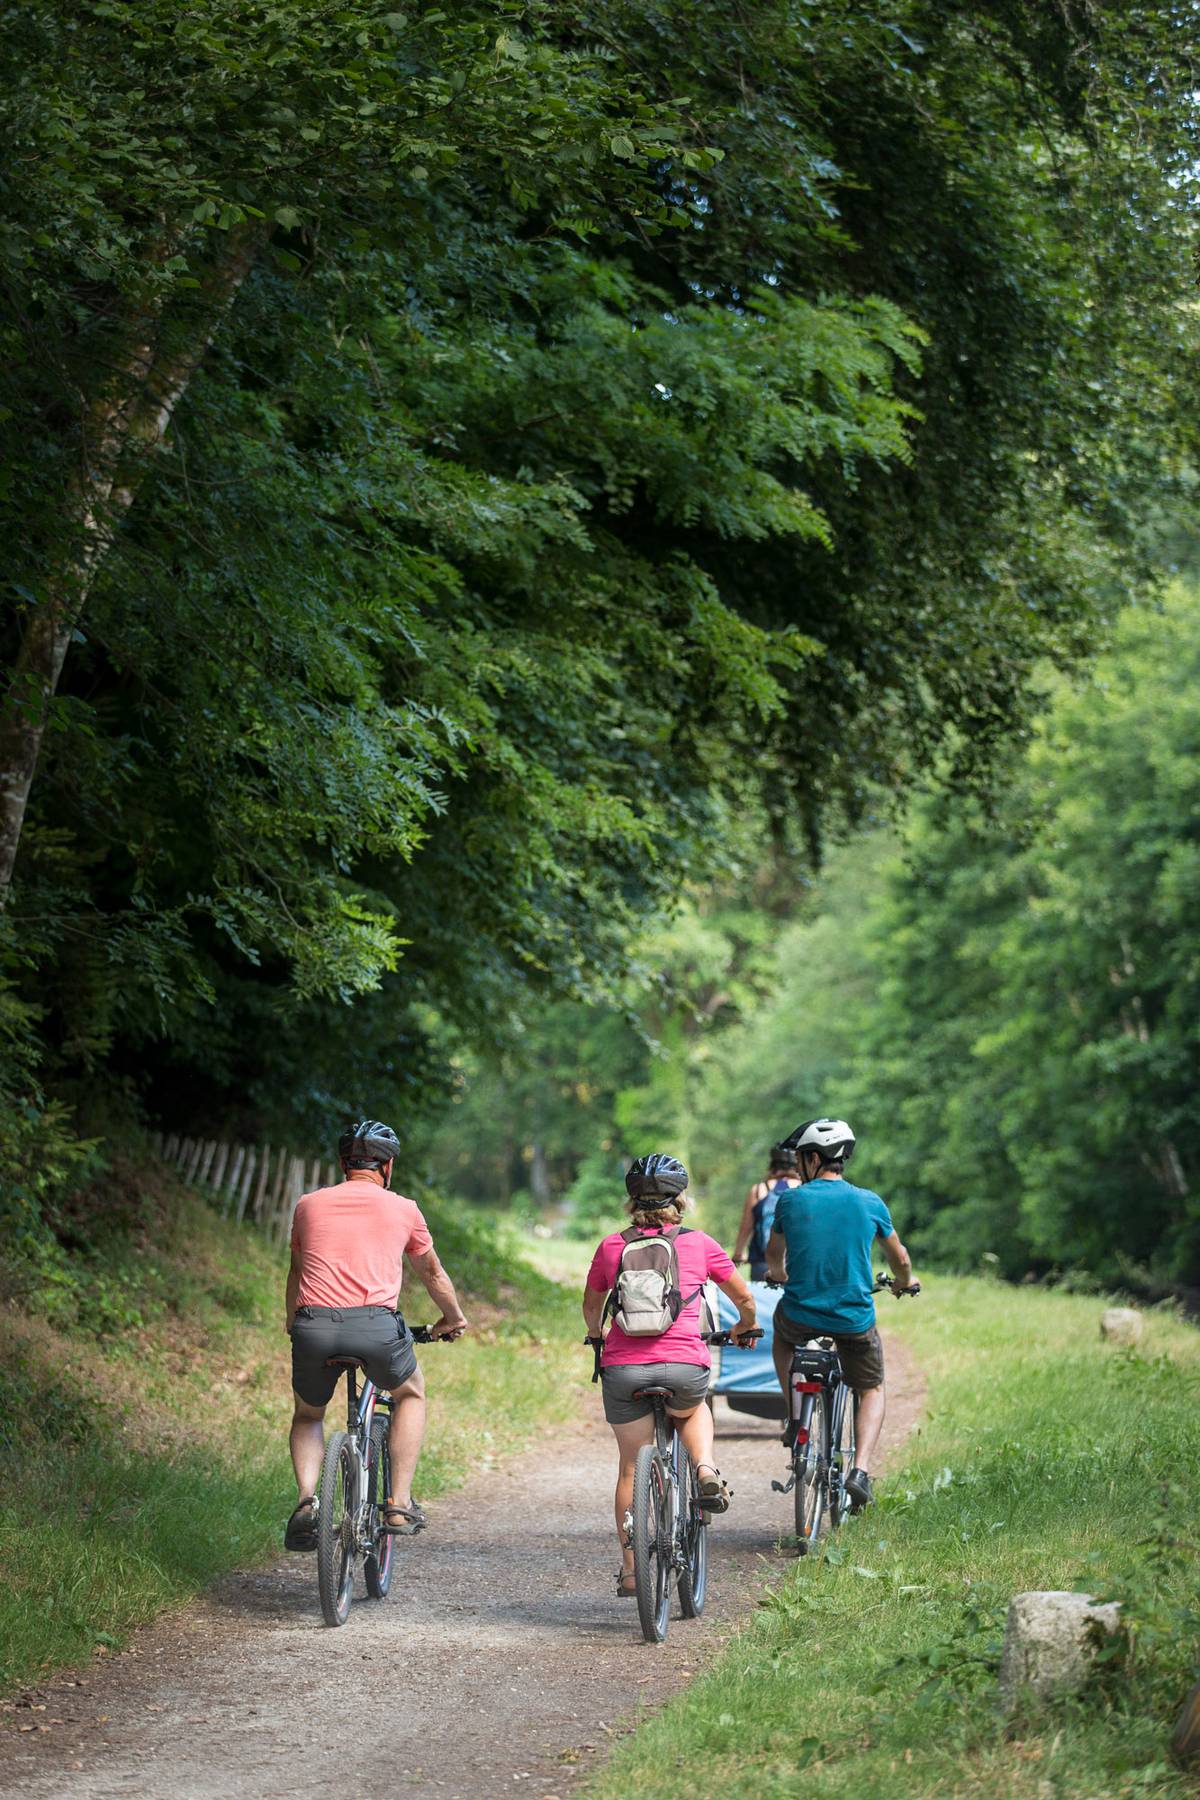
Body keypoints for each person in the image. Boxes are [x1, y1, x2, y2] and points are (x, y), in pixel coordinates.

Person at [283, 1118, 469, 1551]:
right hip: (376, 1329)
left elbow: (296, 1270)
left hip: (314, 1327)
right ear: (387, 1168)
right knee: (411, 1393)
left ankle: (308, 1501)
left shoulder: (308, 1205)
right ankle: (399, 1503)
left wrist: (293, 1320)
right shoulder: (404, 1208)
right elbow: (432, 1273)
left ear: (343, 1163)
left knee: (309, 1415)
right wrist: (453, 1318)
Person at [582, 1152, 759, 1597]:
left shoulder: (612, 1245)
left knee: (628, 1468)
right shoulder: (700, 1244)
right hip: (684, 1365)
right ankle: (704, 1467)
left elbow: (591, 1304)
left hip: (624, 1370)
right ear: (680, 1200)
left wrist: (595, 1334)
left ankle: (629, 1569)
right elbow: (743, 1298)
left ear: (632, 1201)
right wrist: (744, 1327)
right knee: (693, 1407)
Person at [765, 1117, 915, 1512]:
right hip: (853, 1320)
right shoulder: (869, 1202)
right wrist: (904, 1282)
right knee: (872, 1388)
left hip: (800, 1315)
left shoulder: (791, 1200)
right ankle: (861, 1471)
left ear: (815, 1158)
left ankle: (795, 1417)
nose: (798, 1166)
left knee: (781, 1340)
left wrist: (778, 1274)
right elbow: (899, 1258)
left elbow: (773, 1255)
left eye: (801, 1159)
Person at [732, 1142, 803, 1278]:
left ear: (772, 1165)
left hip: (762, 1265)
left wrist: (738, 1255)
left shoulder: (759, 1189)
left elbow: (745, 1228)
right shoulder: (804, 1188)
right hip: (795, 1266)